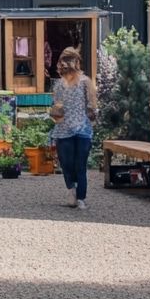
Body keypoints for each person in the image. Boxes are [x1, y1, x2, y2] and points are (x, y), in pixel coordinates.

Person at [50, 47, 97, 210]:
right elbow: (55, 105)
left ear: (76, 62)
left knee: (81, 164)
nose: (66, 64)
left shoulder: (85, 82)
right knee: (66, 163)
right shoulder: (58, 84)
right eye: (64, 60)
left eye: (70, 60)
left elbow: (92, 104)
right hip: (63, 129)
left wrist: (93, 114)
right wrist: (55, 111)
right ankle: (71, 189)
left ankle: (81, 197)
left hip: (83, 129)